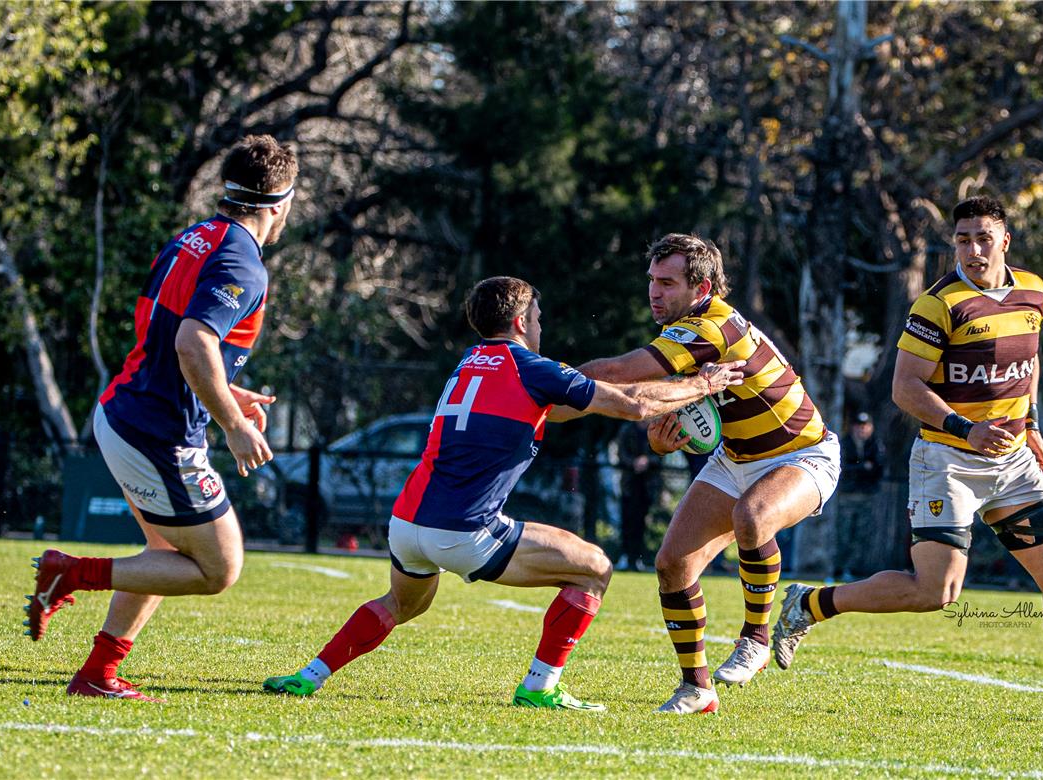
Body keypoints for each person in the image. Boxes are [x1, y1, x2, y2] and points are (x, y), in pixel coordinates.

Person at [262, 276, 745, 710]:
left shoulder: (471, 362)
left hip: (408, 523)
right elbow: (636, 405)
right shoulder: (532, 366)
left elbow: (563, 406)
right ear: (520, 321)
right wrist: (701, 384)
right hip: (465, 532)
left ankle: (309, 676)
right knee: (594, 568)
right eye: (536, 318)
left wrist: (622, 396)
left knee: (401, 603)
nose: (540, 326)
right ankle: (541, 686)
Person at [769, 196, 1043, 726]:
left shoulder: (1034, 291)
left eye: (983, 237)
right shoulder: (938, 305)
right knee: (935, 591)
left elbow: (1029, 362)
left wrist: (1030, 424)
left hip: (1011, 463)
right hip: (947, 459)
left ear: (1005, 240)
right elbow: (904, 388)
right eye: (962, 240)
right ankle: (812, 604)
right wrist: (966, 428)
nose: (972, 249)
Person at [24, 135, 299, 701]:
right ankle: (70, 573)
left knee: (166, 557)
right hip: (157, 434)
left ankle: (98, 672)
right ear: (280, 204)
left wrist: (228, 391)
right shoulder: (242, 261)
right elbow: (192, 345)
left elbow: (165, 336)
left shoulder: (193, 238)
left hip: (127, 411)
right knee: (219, 569)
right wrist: (232, 423)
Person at [577, 234, 841, 714]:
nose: (654, 293)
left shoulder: (711, 325)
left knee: (753, 515)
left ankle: (756, 639)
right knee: (672, 563)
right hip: (735, 459)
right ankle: (697, 688)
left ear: (701, 285)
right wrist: (662, 440)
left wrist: (548, 380)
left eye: (667, 283)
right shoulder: (684, 333)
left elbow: (620, 371)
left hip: (803, 455)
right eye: (652, 282)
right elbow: (665, 421)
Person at [837, 412, 886, 578]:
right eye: (859, 426)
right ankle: (840, 569)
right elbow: (842, 467)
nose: (862, 429)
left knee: (864, 535)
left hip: (868, 496)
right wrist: (862, 467)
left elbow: (879, 468)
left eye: (865, 426)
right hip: (847, 497)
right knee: (844, 534)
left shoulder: (875, 445)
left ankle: (858, 570)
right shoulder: (844, 444)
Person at [617, 419, 661, 571]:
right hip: (629, 484)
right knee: (627, 521)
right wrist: (634, 463)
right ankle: (625, 555)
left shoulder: (655, 428)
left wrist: (647, 461)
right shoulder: (627, 429)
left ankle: (638, 558)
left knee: (642, 523)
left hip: (647, 485)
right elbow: (621, 453)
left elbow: (660, 454)